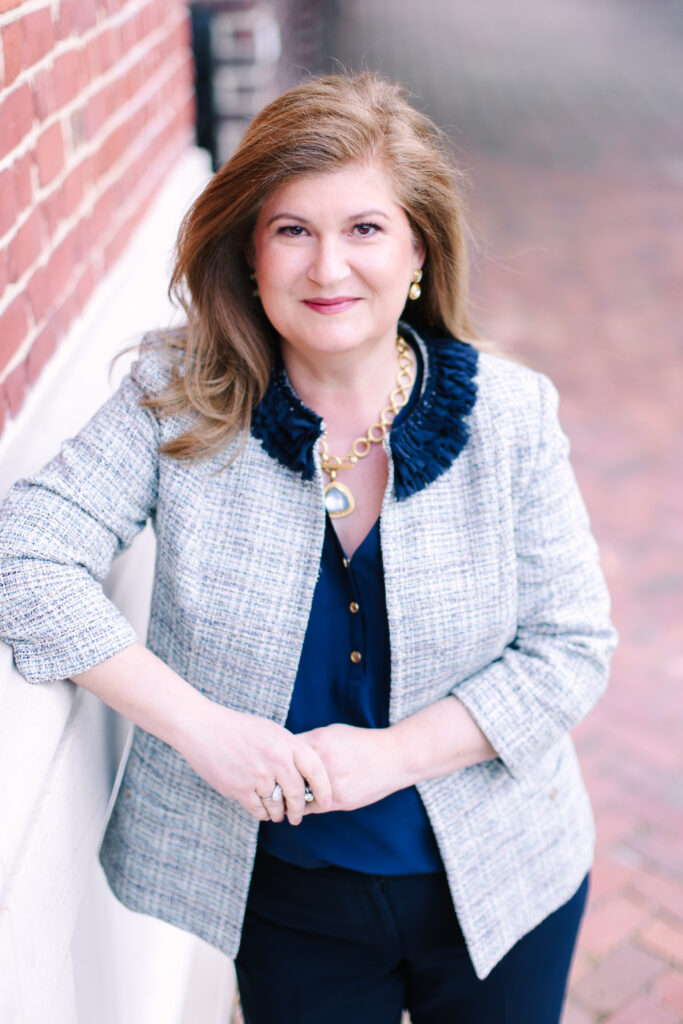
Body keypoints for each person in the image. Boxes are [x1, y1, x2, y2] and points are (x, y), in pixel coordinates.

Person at [0, 73, 616, 1023]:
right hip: (290, 899)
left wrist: (390, 757)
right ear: (249, 252)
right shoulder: (177, 396)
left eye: (364, 229)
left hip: (503, 874)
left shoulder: (508, 416)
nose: (328, 268)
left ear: (418, 250)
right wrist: (203, 729)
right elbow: (26, 555)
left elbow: (569, 648)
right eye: (293, 229)